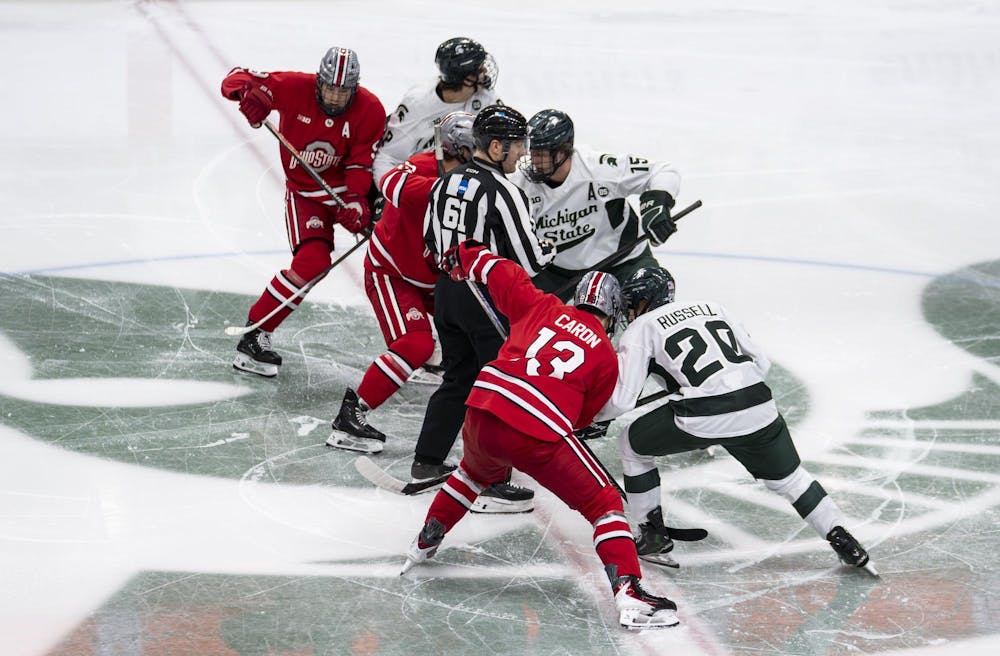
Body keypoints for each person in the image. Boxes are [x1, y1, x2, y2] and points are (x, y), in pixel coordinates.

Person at [401, 241, 680, 630]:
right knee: (604, 503)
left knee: (471, 474)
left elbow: (503, 273)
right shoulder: (604, 352)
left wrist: (463, 258)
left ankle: (423, 543)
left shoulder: (542, 305)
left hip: (483, 406)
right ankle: (631, 595)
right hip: (535, 424)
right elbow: (580, 419)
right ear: (614, 313)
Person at [595, 266, 878, 575]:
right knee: (791, 479)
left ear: (647, 300)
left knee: (632, 445)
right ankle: (842, 538)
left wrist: (592, 418)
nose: (631, 312)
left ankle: (652, 535)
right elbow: (762, 362)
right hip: (758, 404)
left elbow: (622, 400)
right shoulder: (713, 307)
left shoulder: (642, 328)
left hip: (702, 416)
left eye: (634, 303)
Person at [417, 104, 555, 512]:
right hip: (484, 297)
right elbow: (530, 261)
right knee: (500, 385)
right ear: (495, 147)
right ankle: (491, 480)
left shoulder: (444, 182)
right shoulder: (503, 190)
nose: (521, 154)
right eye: (516, 146)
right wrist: (549, 246)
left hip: (447, 293)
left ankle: (427, 460)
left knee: (459, 378)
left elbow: (430, 243)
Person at [221, 48, 386, 377]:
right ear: (319, 82)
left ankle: (430, 342)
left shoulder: (370, 109)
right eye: (330, 88)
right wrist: (249, 97)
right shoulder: (293, 86)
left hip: (348, 193)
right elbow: (234, 79)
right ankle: (256, 333)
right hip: (305, 195)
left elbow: (360, 161)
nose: (336, 97)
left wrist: (356, 202)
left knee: (398, 252)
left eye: (344, 91)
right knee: (312, 264)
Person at [326, 112, 476, 454]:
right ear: (462, 150)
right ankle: (352, 413)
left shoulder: (472, 181)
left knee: (478, 339)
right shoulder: (423, 166)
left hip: (434, 280)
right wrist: (449, 188)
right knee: (415, 345)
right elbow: (391, 183)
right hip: (392, 275)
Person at [509, 109, 681, 301]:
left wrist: (656, 208)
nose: (534, 160)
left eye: (542, 153)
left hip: (622, 261)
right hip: (556, 271)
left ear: (564, 150)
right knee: (520, 314)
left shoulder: (598, 168)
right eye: (532, 151)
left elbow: (662, 171)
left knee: (653, 299)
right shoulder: (519, 184)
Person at [372, 37, 500, 183]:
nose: (485, 70)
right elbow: (387, 158)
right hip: (421, 183)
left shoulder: (486, 98)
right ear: (465, 79)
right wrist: (394, 194)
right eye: (479, 68)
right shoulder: (417, 103)